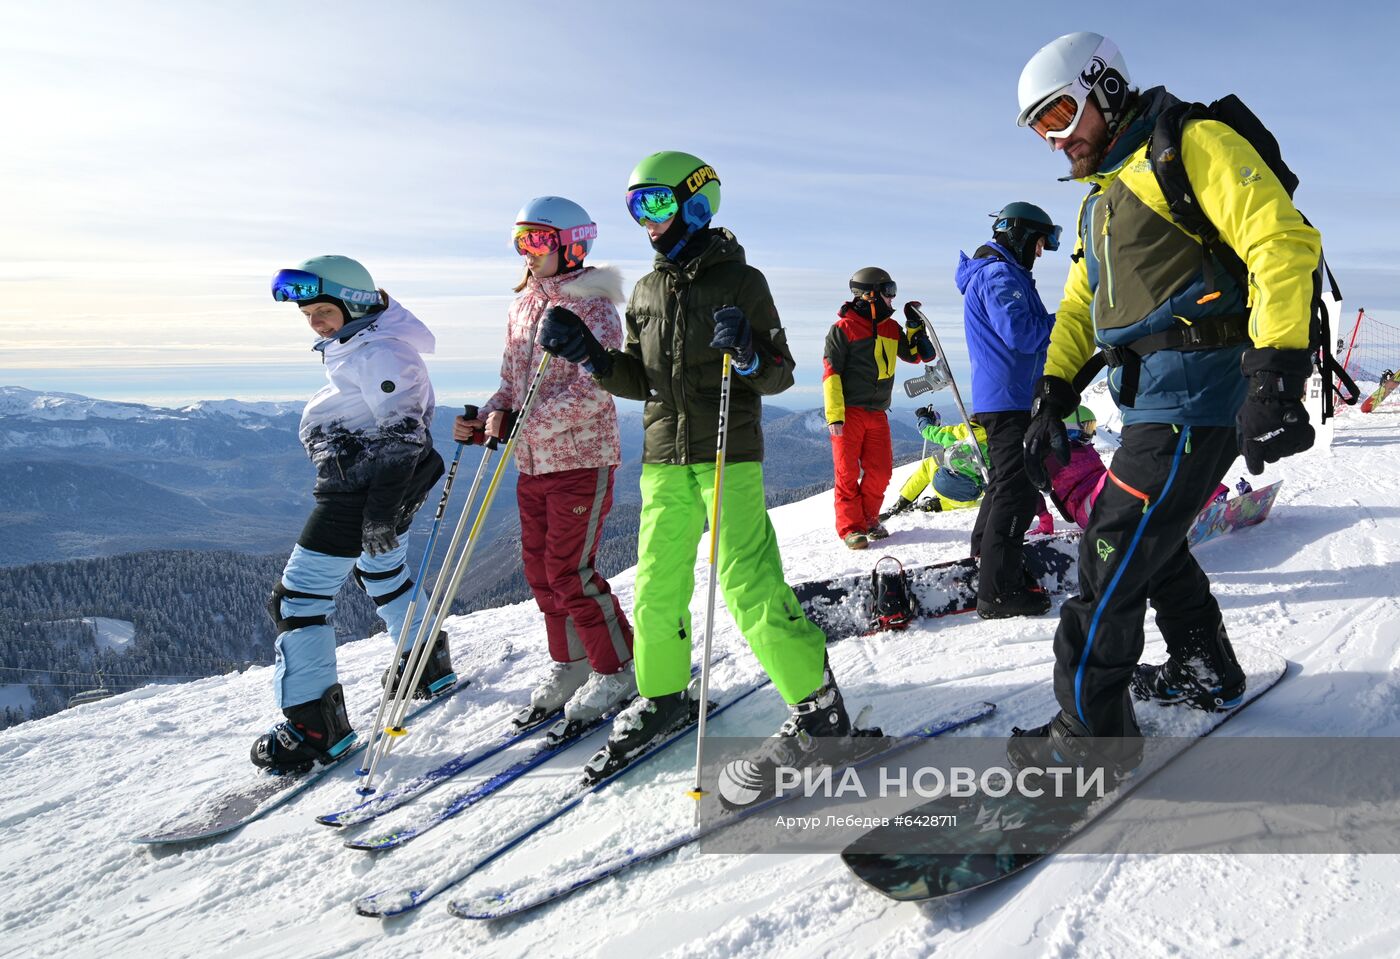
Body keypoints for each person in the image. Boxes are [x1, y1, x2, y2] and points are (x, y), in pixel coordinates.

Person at [1010, 32, 1320, 776]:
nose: (1054, 141)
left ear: (1103, 88)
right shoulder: (1102, 200)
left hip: (1199, 395)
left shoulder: (1188, 145)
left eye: (1059, 116)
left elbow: (1279, 240)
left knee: (1110, 549)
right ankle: (1202, 664)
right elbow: (1083, 305)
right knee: (1157, 536)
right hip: (1153, 403)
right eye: (1040, 129)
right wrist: (1053, 388)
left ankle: (1092, 740)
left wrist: (1277, 371)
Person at [533, 150, 851, 770]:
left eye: (654, 202)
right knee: (656, 585)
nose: (644, 219)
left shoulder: (743, 282)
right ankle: (662, 694)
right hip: (663, 457)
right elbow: (639, 377)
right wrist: (592, 358)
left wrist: (751, 357)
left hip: (729, 450)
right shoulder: (647, 289)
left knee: (746, 582)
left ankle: (819, 707)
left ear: (696, 202)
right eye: (633, 207)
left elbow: (781, 373)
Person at [252, 256, 452, 773]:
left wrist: (378, 515)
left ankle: (314, 729)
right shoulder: (363, 345)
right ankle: (426, 665)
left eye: (323, 310)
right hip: (372, 487)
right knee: (381, 570)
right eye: (308, 315)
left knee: (298, 601)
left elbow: (402, 438)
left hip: (359, 492)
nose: (315, 322)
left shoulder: (380, 354)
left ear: (355, 303)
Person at [453, 197, 635, 730]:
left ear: (571, 244)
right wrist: (487, 416)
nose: (525, 252)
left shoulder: (594, 308)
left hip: (582, 458)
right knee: (539, 571)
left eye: (536, 241)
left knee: (569, 571)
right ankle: (572, 663)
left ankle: (618, 667)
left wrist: (519, 423)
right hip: (533, 462)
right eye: (520, 241)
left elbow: (592, 392)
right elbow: (513, 385)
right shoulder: (522, 304)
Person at [956, 202, 1060, 617]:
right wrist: (1069, 323)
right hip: (1010, 398)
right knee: (1018, 490)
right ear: (1018, 237)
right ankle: (998, 592)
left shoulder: (999, 273)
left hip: (1005, 396)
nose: (1039, 253)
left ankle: (987, 557)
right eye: (1037, 243)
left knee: (1005, 482)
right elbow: (1021, 333)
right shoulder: (999, 275)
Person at [822, 268, 935, 549]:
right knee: (847, 473)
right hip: (849, 413)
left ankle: (870, 518)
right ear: (869, 294)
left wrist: (913, 325)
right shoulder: (843, 329)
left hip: (878, 412)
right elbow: (831, 373)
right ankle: (852, 528)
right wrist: (835, 415)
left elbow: (915, 356)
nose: (893, 297)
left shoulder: (889, 327)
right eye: (888, 291)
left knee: (881, 471)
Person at [883, 408, 1055, 531]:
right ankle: (938, 505)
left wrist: (923, 417)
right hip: (969, 494)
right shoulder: (1002, 442)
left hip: (943, 482)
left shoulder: (963, 431)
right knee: (981, 493)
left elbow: (928, 431)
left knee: (931, 463)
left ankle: (903, 502)